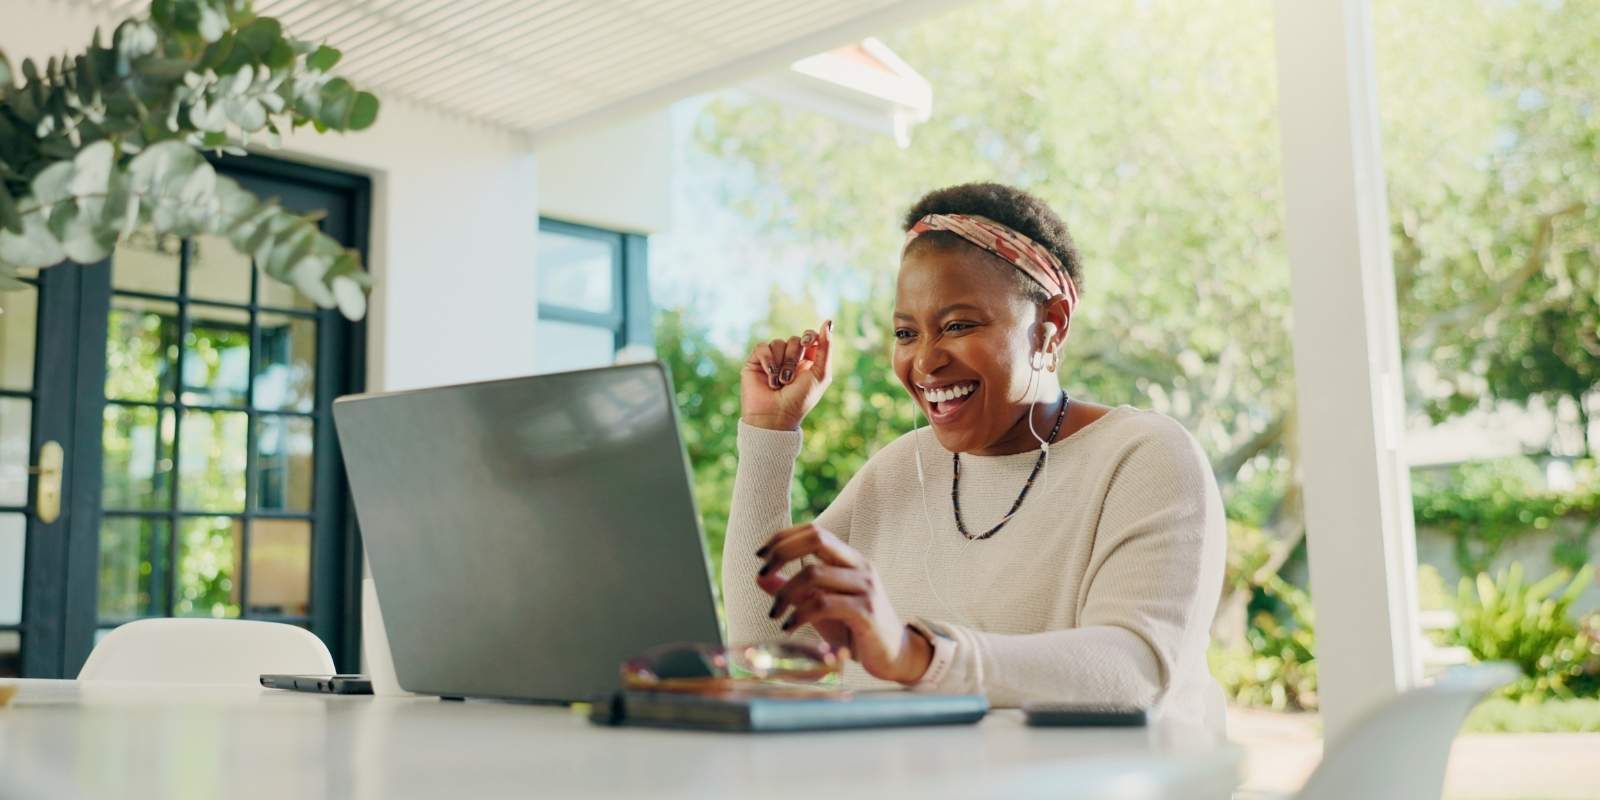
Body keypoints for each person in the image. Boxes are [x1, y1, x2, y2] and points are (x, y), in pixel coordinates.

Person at [722, 182, 1227, 735]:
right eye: (905, 333)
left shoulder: (1144, 456)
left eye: (959, 325)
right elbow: (765, 647)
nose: (925, 360)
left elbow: (1133, 671)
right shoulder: (900, 470)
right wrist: (769, 434)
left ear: (1049, 326)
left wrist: (919, 655)